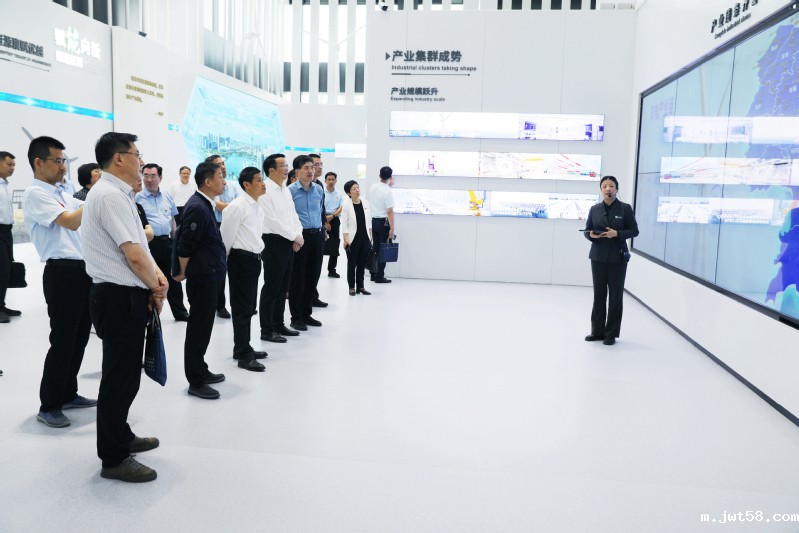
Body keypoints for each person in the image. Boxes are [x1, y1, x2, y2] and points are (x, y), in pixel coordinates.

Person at [82, 132, 167, 482]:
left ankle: (121, 434)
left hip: (125, 295)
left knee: (127, 375)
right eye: (137, 154)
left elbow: (140, 250)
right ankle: (114, 457)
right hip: (116, 297)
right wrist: (157, 287)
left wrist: (157, 278)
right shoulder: (109, 196)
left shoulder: (119, 194)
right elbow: (132, 255)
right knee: (118, 379)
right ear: (119, 157)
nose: (141, 160)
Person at [22, 137, 96, 429]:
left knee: (79, 338)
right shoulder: (35, 193)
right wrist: (101, 193)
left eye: (64, 161)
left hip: (82, 272)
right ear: (39, 162)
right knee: (63, 340)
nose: (64, 166)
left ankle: (68, 393)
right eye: (58, 161)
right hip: (62, 273)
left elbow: (85, 211)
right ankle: (49, 405)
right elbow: (72, 221)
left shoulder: (61, 192)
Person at [174, 160, 228, 399]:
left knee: (204, 327)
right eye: (220, 177)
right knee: (198, 328)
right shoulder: (197, 206)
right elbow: (185, 244)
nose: (223, 181)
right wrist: (183, 271)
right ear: (207, 181)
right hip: (202, 277)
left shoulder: (205, 204)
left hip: (210, 274)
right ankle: (195, 380)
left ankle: (201, 369)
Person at [220, 166, 267, 371]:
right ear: (247, 184)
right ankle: (243, 354)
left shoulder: (257, 205)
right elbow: (225, 239)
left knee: (248, 307)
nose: (263, 183)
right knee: (241, 308)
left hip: (254, 260)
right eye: (259, 180)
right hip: (240, 260)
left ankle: (243, 347)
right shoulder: (237, 207)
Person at [583, 175, 639, 346]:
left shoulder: (625, 209)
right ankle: (597, 331)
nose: (608, 189)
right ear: (601, 189)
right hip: (598, 257)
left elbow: (634, 231)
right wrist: (591, 235)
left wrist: (617, 233)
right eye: (605, 186)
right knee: (599, 295)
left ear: (616, 189)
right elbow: (587, 230)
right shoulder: (595, 209)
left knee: (615, 296)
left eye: (611, 186)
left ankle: (611, 334)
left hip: (617, 258)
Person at [259, 154, 303, 343]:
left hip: (288, 241)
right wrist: (294, 236)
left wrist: (297, 234)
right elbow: (271, 221)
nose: (287, 168)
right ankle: (266, 330)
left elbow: (293, 215)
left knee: (283, 287)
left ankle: (278, 324)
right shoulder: (265, 189)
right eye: (283, 165)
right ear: (271, 170)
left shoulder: (285, 189)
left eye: (286, 165)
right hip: (273, 241)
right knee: (272, 286)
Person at [136, 163, 189, 321]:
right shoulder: (137, 197)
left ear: (160, 178)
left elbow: (172, 220)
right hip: (148, 245)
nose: (149, 179)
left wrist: (175, 241)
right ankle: (148, 314)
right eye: (146, 175)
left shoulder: (166, 196)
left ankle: (180, 313)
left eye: (153, 176)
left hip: (167, 243)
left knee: (173, 279)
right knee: (149, 279)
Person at [287, 155, 325, 331]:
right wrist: (295, 237)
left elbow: (320, 212)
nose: (311, 171)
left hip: (317, 236)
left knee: (313, 276)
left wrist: (323, 231)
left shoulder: (318, 189)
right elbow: (288, 217)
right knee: (298, 278)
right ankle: (296, 317)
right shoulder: (290, 191)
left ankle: (306, 313)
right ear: (297, 172)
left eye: (312, 167)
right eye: (306, 168)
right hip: (300, 238)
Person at [206, 154, 235, 319]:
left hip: (233, 227)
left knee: (234, 268)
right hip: (217, 227)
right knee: (220, 268)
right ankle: (220, 305)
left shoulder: (231, 186)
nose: (223, 166)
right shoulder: (210, 187)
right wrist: (236, 207)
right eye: (219, 164)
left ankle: (238, 304)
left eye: (223, 163)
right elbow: (220, 206)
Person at [341, 180, 372, 296]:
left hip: (365, 238)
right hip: (353, 239)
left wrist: (370, 237)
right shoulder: (346, 205)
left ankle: (361, 287)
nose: (357, 190)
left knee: (362, 264)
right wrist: (345, 240)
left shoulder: (365, 203)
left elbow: (369, 221)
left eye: (358, 188)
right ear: (349, 193)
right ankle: (351, 287)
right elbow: (344, 224)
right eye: (354, 189)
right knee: (352, 264)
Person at [0, 151, 18, 324]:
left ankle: (1, 305)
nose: (12, 168)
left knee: (7, 269)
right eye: (9, 164)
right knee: (2, 268)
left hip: (7, 230)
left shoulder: (5, 185)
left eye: (13, 165)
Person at [369, 166, 395, 283]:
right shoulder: (388, 191)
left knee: (375, 248)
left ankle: (373, 274)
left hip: (374, 221)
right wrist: (392, 228)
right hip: (384, 223)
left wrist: (389, 183)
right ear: (390, 177)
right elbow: (389, 211)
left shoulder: (373, 187)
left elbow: (380, 192)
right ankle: (380, 276)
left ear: (379, 175)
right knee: (383, 249)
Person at [323, 171, 343, 278]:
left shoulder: (338, 193)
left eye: (333, 179)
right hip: (322, 218)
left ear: (336, 181)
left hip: (334, 219)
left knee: (335, 244)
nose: (331, 181)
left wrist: (333, 216)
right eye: (329, 179)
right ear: (325, 181)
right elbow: (319, 206)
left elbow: (341, 207)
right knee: (319, 243)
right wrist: (326, 221)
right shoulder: (321, 192)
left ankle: (332, 270)